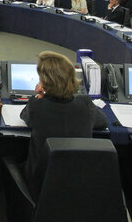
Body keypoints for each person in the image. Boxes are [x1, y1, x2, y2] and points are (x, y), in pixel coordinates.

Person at [20, 51, 107, 182]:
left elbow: (25, 116)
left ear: (44, 83)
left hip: (41, 185)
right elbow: (102, 122)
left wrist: (38, 96)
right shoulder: (86, 103)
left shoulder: (36, 106)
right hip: (79, 184)